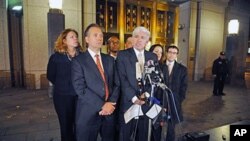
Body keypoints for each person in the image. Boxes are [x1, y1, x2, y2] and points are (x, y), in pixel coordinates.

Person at [71, 23, 120, 141]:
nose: (99, 38)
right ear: (87, 39)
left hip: (109, 112)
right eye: (95, 35)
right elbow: (80, 89)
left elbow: (117, 84)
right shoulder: (78, 61)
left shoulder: (109, 60)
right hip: (88, 113)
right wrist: (103, 105)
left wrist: (111, 103)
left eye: (101, 35)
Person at [116, 26, 158, 141]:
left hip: (145, 103)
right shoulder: (122, 55)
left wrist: (146, 95)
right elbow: (122, 79)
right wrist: (134, 98)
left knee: (143, 134)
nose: (139, 40)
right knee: (125, 135)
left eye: (142, 37)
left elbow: (154, 79)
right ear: (132, 39)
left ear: (147, 41)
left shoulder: (152, 56)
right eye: (136, 36)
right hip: (129, 102)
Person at [47, 28, 83, 141]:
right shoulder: (56, 57)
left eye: (76, 36)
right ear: (64, 41)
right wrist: (63, 85)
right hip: (63, 97)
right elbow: (51, 75)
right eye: (72, 37)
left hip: (80, 96)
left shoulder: (82, 56)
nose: (75, 38)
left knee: (79, 124)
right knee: (66, 125)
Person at [161, 45, 188, 141]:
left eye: (174, 53)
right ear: (166, 53)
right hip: (160, 100)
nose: (172, 54)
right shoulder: (160, 66)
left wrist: (179, 99)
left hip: (174, 100)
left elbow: (184, 86)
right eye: (170, 52)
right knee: (158, 123)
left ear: (177, 55)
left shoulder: (182, 69)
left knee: (171, 125)